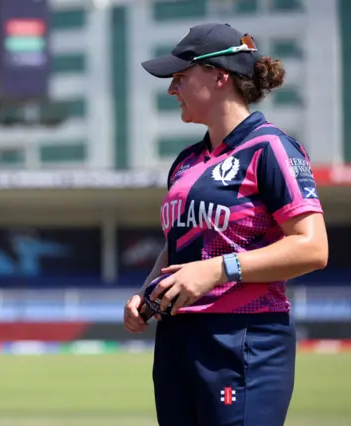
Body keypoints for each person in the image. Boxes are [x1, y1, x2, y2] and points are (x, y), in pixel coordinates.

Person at [123, 23, 328, 426]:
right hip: (178, 343)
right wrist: (148, 294)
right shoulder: (185, 162)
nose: (171, 90)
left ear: (220, 76)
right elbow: (178, 246)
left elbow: (312, 247)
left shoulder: (270, 149)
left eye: (180, 77)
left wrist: (219, 269)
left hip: (243, 340)